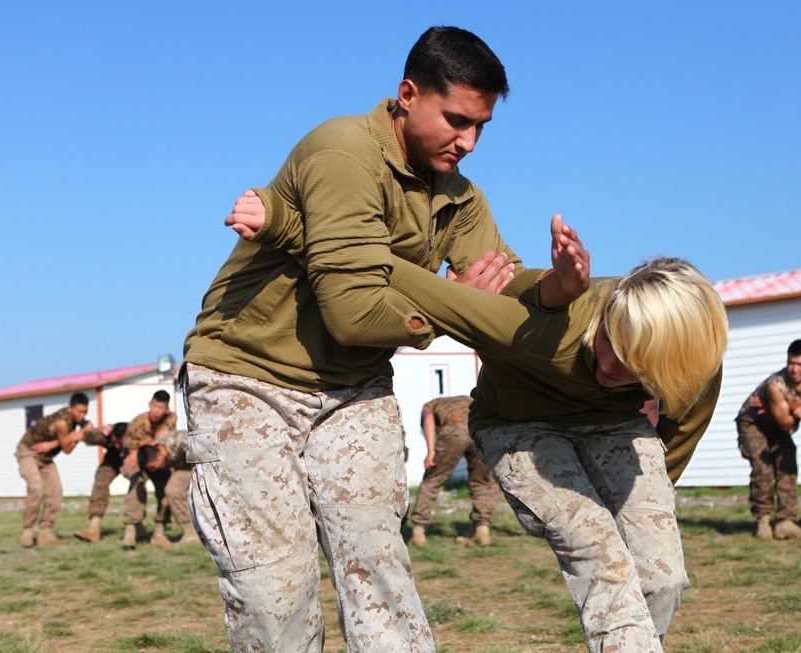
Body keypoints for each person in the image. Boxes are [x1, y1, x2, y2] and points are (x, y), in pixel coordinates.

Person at [184, 26, 587, 652]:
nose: (470, 142)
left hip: (353, 388)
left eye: (481, 127)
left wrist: (557, 287)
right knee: (274, 596)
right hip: (248, 381)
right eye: (457, 120)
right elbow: (354, 314)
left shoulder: (457, 193)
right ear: (407, 95)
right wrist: (457, 308)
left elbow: (497, 280)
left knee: (380, 575)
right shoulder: (343, 153)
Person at [230, 199, 727, 650]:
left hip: (614, 428)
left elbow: (679, 433)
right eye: (612, 346)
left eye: (635, 368)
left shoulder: (691, 360)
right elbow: (412, 282)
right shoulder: (541, 330)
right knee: (599, 552)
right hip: (522, 426)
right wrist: (288, 224)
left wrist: (644, 503)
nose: (615, 368)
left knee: (660, 576)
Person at [735, 340, 801, 540]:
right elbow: (785, 424)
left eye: (800, 364)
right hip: (754, 423)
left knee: (787, 461)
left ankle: (786, 522)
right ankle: (762, 521)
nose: (795, 369)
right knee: (763, 467)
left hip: (777, 422)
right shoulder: (775, 386)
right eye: (791, 363)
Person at [16, 392, 110, 547]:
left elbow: (78, 438)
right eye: (79, 411)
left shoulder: (78, 421)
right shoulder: (61, 422)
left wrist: (97, 430)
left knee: (56, 492)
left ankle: (45, 532)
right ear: (69, 409)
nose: (82, 415)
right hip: (28, 452)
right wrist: (80, 434)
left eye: (85, 411)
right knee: (36, 488)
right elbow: (67, 448)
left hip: (46, 459)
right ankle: (27, 530)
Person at [409, 395, 500, 547]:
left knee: (433, 480)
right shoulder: (467, 399)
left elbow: (428, 421)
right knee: (483, 482)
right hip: (480, 431)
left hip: (453, 431)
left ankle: (418, 532)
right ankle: (482, 530)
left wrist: (431, 450)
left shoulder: (429, 406)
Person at [118, 390, 177, 549]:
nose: (156, 411)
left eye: (161, 407)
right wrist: (150, 443)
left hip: (158, 459)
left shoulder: (171, 418)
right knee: (136, 488)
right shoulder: (137, 423)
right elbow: (132, 454)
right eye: (154, 406)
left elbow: (165, 436)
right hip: (139, 458)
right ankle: (130, 531)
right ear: (150, 405)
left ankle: (159, 531)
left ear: (167, 409)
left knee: (167, 491)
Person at [136, 430, 198, 547]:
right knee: (166, 494)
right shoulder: (159, 454)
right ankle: (159, 532)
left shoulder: (180, 441)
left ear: (159, 455)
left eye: (153, 467)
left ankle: (191, 533)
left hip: (198, 465)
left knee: (172, 490)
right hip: (185, 467)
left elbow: (203, 450)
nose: (153, 470)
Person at [73, 421, 129, 542]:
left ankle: (135, 527)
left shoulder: (136, 435)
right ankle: (94, 528)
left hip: (133, 457)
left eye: (121, 443)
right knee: (101, 482)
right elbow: (85, 435)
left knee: (138, 484)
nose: (118, 446)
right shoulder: (105, 435)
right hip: (112, 460)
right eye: (115, 443)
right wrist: (98, 429)